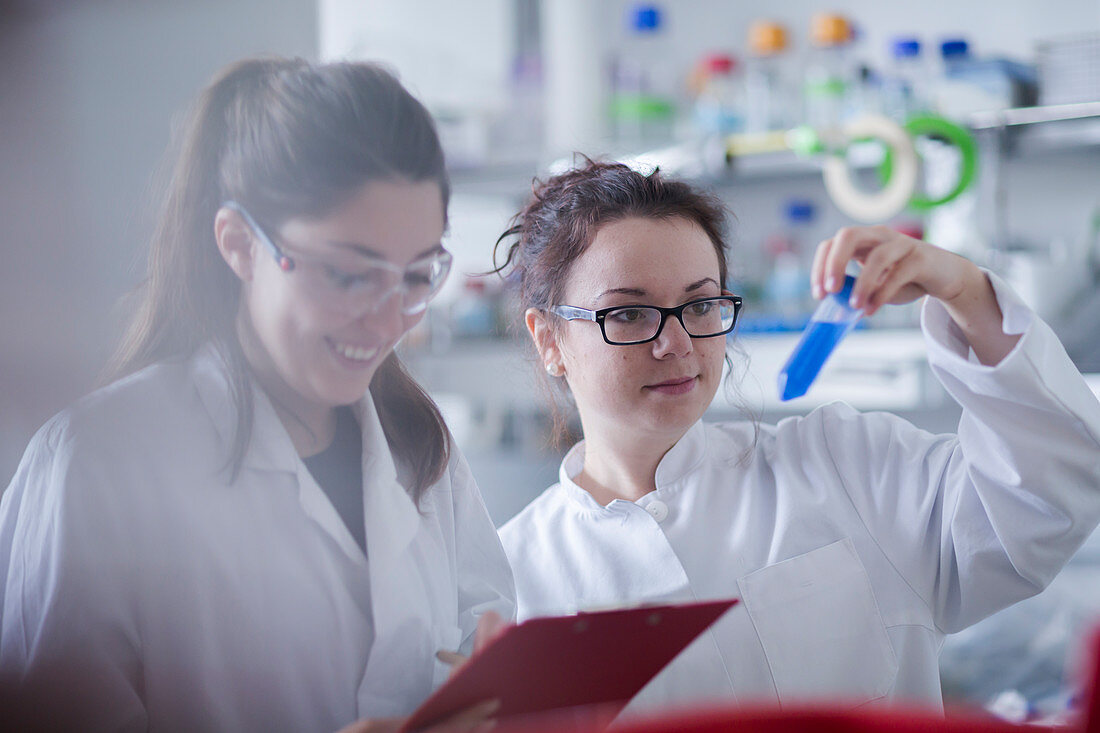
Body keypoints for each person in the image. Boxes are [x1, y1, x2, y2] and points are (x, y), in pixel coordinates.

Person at [0, 57, 514, 732]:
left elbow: (489, 648)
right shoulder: (98, 465)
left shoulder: (419, 449)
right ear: (239, 245)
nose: (389, 321)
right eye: (348, 274)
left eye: (418, 275)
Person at [492, 159, 1100, 716]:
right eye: (627, 313)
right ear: (549, 339)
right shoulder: (509, 581)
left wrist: (963, 291)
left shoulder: (841, 465)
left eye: (701, 306)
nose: (676, 342)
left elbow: (1047, 497)